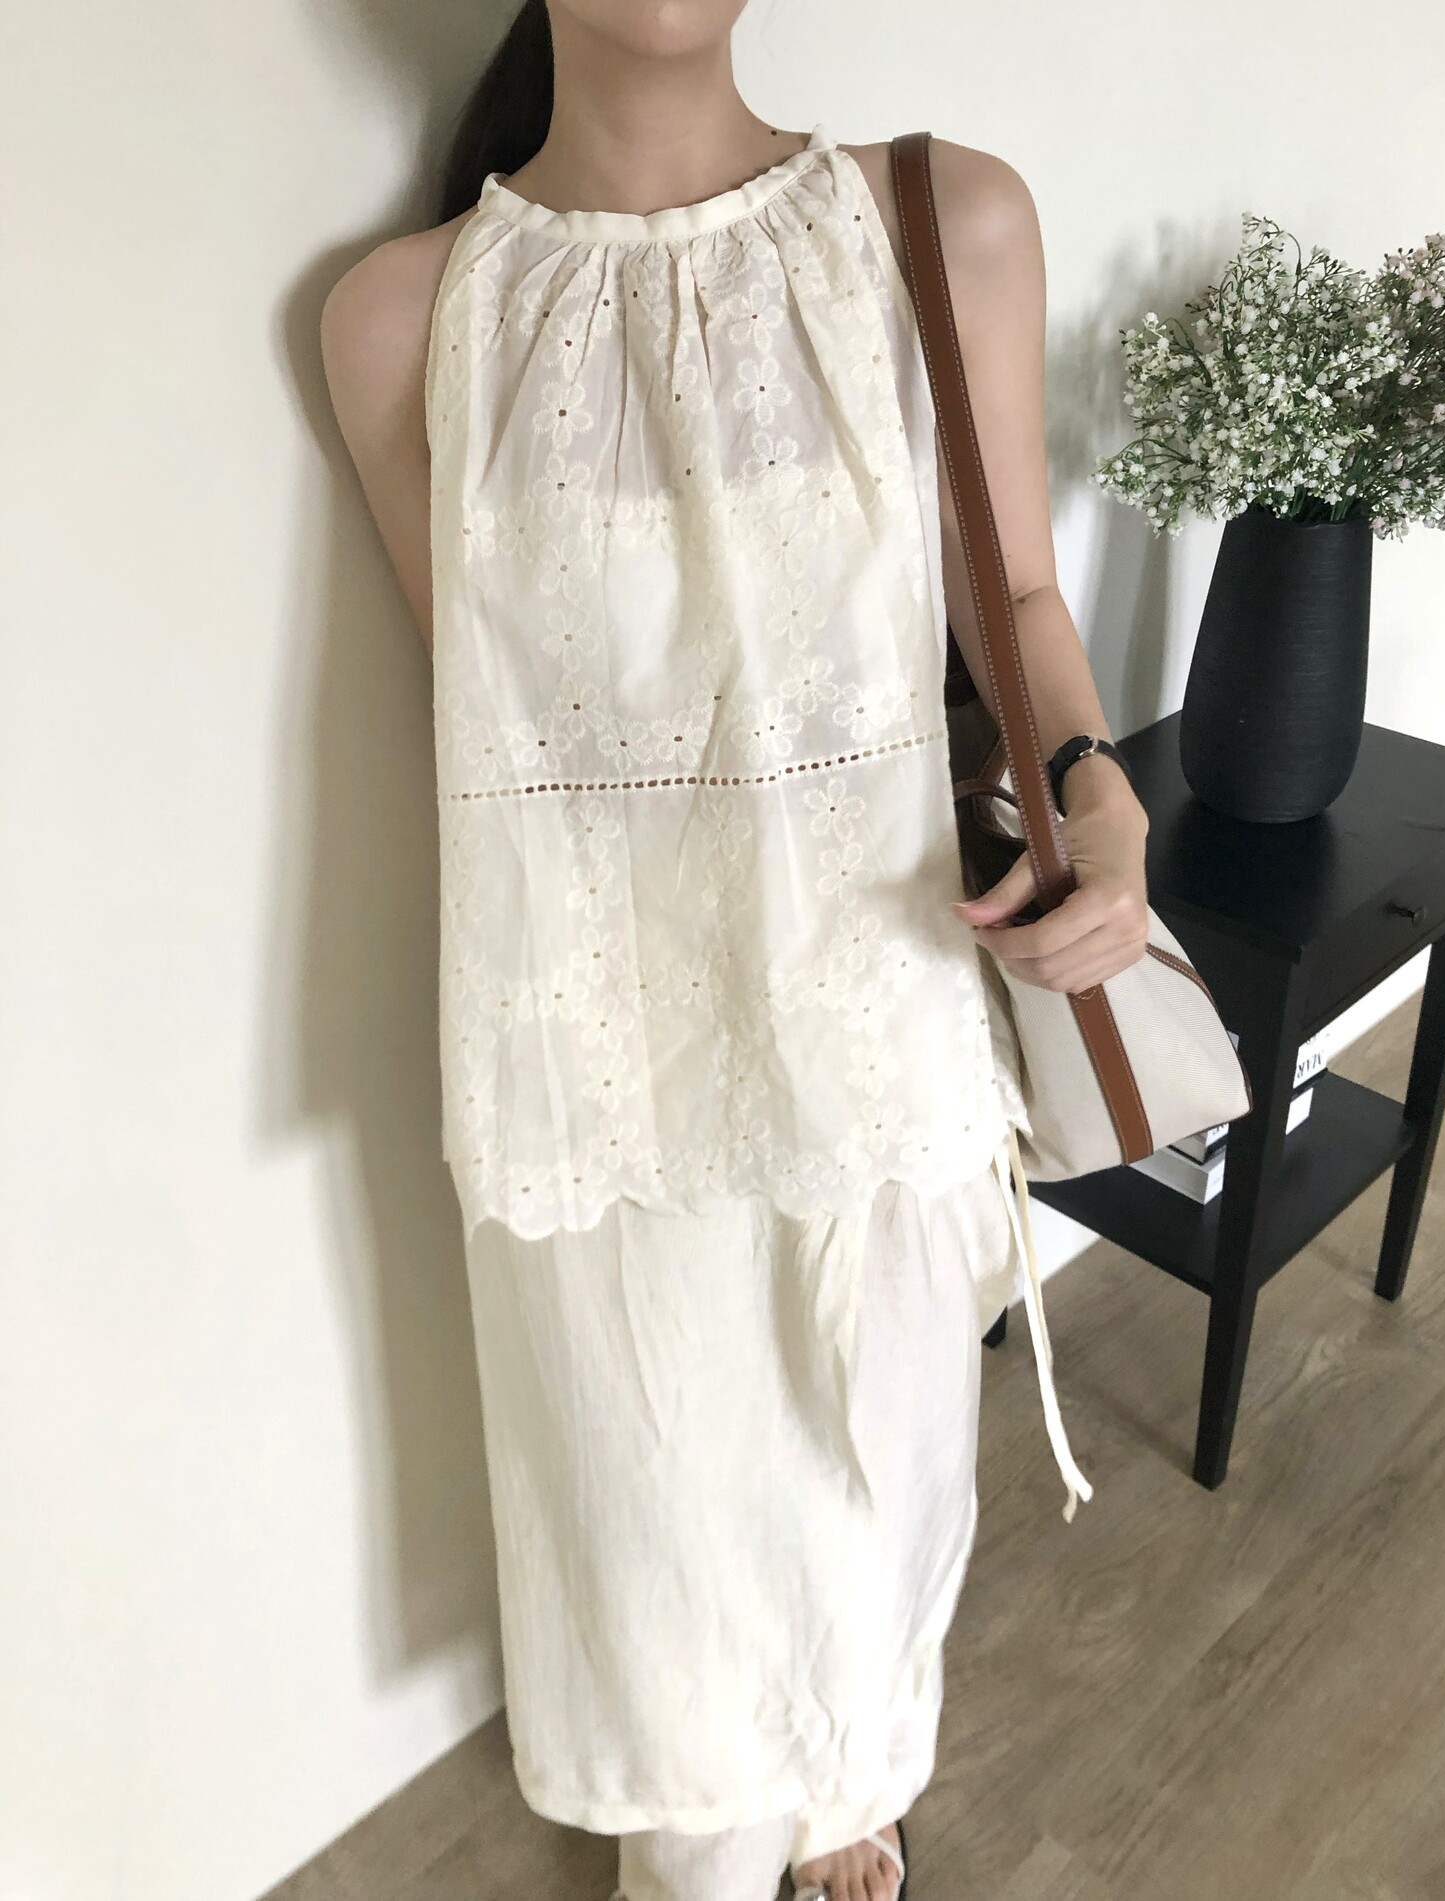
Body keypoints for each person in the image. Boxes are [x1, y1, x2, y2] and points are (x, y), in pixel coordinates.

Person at [321, 4, 1150, 1896]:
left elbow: (1018, 592)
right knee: (654, 1544)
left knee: (881, 1487)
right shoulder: (400, 324)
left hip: (878, 1010)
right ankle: (699, 1850)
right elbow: (504, 743)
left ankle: (852, 1785)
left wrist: (1099, 796)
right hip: (597, 1068)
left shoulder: (942, 226)